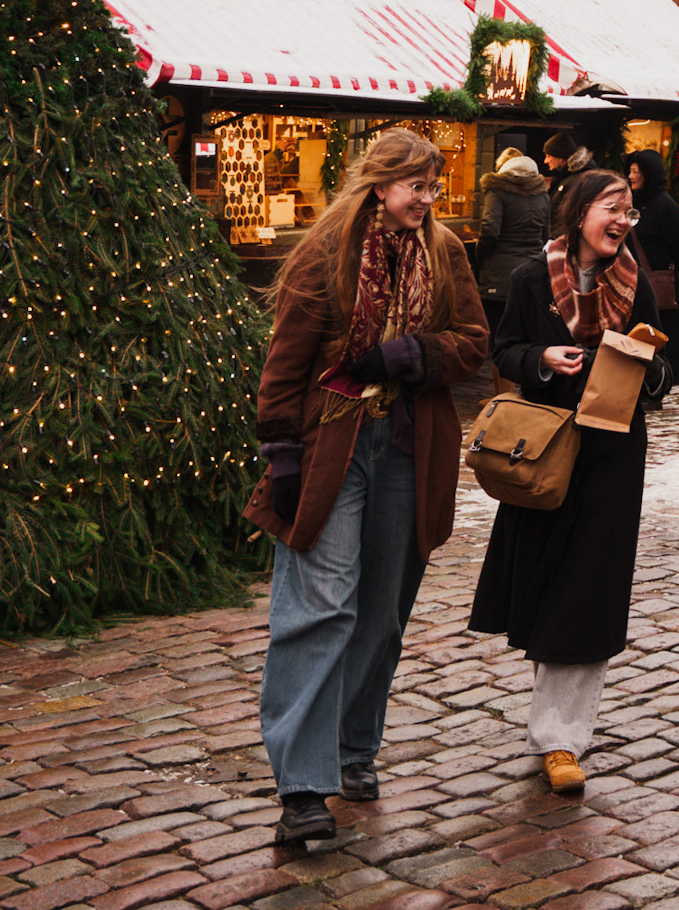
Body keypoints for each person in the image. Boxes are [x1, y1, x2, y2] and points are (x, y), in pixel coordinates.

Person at [246, 129, 493, 845]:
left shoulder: (444, 252)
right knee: (320, 608)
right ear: (380, 183)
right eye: (416, 184)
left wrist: (414, 353)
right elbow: (285, 361)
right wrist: (281, 450)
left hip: (408, 446)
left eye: (433, 184)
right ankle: (303, 791)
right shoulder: (326, 251)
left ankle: (355, 748)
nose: (428, 197)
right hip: (333, 446)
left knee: (382, 610)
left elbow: (475, 339)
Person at [468, 168, 675, 797]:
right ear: (579, 212)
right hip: (547, 450)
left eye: (628, 212)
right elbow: (503, 351)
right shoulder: (532, 278)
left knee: (589, 591)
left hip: (614, 455)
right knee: (546, 583)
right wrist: (540, 359)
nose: (622, 221)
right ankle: (551, 718)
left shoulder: (637, 283)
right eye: (612, 208)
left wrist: (642, 365)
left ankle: (563, 739)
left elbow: (672, 371)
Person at [623, 150, 679, 390]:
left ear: (648, 174)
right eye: (629, 171)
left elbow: (678, 243)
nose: (631, 176)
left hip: (658, 278)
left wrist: (672, 269)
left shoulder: (665, 205)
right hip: (632, 276)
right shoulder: (632, 202)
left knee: (662, 330)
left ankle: (664, 379)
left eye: (635, 171)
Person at [473, 149, 551, 302]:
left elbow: (489, 229)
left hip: (499, 273)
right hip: (533, 269)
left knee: (496, 322)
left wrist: (479, 255)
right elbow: (546, 233)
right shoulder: (542, 194)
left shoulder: (497, 190)